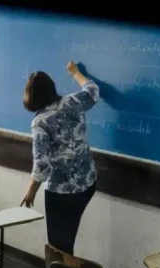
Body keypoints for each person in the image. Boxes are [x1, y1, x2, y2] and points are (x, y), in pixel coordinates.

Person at [21, 61, 100, 255]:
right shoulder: (73, 101)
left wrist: (31, 192)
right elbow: (93, 90)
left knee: (58, 248)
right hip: (88, 182)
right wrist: (75, 73)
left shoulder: (40, 122)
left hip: (63, 192)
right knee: (66, 240)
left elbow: (42, 165)